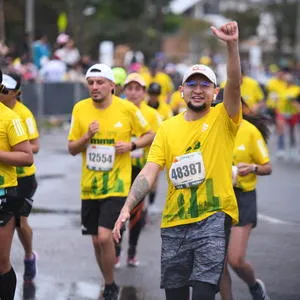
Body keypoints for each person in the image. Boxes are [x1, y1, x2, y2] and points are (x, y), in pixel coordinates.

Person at [113, 21, 242, 300]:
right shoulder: (167, 127)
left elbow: (235, 83)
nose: (198, 89)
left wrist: (231, 46)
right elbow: (150, 170)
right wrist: (127, 207)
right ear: (181, 91)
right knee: (175, 295)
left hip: (212, 217)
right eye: (192, 84)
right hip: (174, 224)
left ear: (214, 92)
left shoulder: (223, 119)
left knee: (205, 293)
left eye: (205, 85)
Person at [67, 63, 154, 300]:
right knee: (96, 240)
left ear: (112, 86)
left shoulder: (126, 109)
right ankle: (109, 282)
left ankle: (110, 284)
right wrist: (87, 136)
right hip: (90, 186)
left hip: (117, 184)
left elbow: (150, 134)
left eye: (100, 82)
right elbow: (72, 149)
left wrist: (132, 145)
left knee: (105, 236)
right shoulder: (80, 109)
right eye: (91, 83)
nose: (94, 87)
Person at [219, 99, 272, 300]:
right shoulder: (212, 129)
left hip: (243, 198)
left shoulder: (250, 131)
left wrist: (252, 168)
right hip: (218, 198)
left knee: (235, 260)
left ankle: (254, 285)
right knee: (219, 264)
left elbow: (267, 167)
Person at [114, 73, 161, 268]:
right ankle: (116, 251)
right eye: (130, 88)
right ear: (124, 91)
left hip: (141, 170)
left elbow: (159, 141)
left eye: (138, 89)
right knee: (117, 210)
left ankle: (132, 250)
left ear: (144, 92)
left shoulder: (152, 115)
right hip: (117, 169)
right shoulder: (117, 110)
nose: (133, 93)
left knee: (135, 213)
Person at [0, 73, 40, 282]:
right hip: (8, 175)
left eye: (7, 90)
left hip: (22, 178)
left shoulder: (22, 115)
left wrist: (11, 148)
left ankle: (28, 255)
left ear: (16, 93)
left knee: (19, 222)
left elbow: (34, 146)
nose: (4, 93)